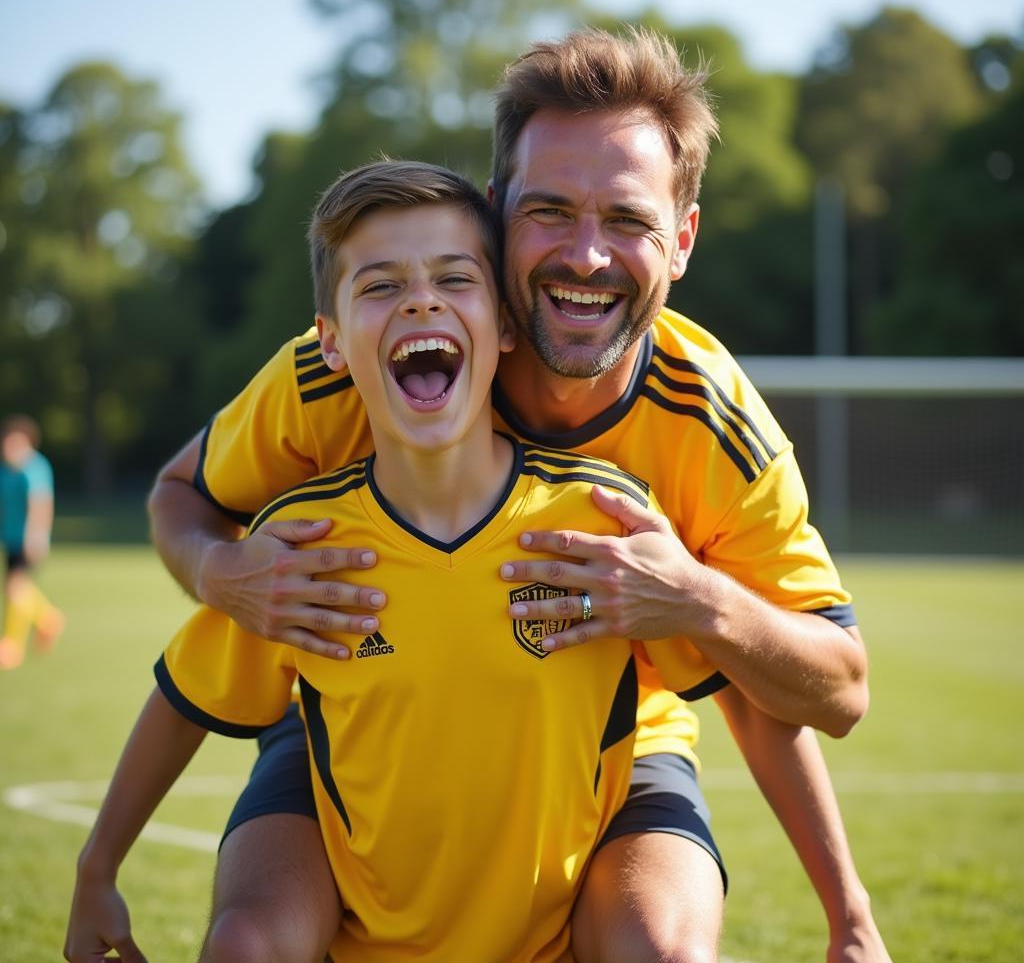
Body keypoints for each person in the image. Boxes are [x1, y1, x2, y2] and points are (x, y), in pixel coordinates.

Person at [148, 29, 891, 961]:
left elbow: (827, 685)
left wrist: (696, 597)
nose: (586, 255)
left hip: (614, 747)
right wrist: (224, 575)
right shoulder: (357, 361)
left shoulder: (708, 420)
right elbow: (180, 495)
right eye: (550, 212)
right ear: (499, 211)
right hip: (361, 727)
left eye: (627, 220)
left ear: (684, 238)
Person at [65, 160, 725, 962]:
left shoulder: (605, 518)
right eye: (380, 287)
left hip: (557, 931)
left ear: (507, 325)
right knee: (240, 945)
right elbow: (184, 694)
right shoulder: (304, 544)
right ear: (331, 344)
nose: (421, 299)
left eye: (455, 277)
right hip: (369, 932)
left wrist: (845, 907)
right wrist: (97, 866)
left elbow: (734, 674)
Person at [0, 414, 64, 670]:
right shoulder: (6, 469)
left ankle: (13, 644)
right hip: (11, 538)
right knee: (14, 589)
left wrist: (37, 536)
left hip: (28, 539)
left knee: (16, 587)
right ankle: (47, 619)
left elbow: (40, 504)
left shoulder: (35, 468)